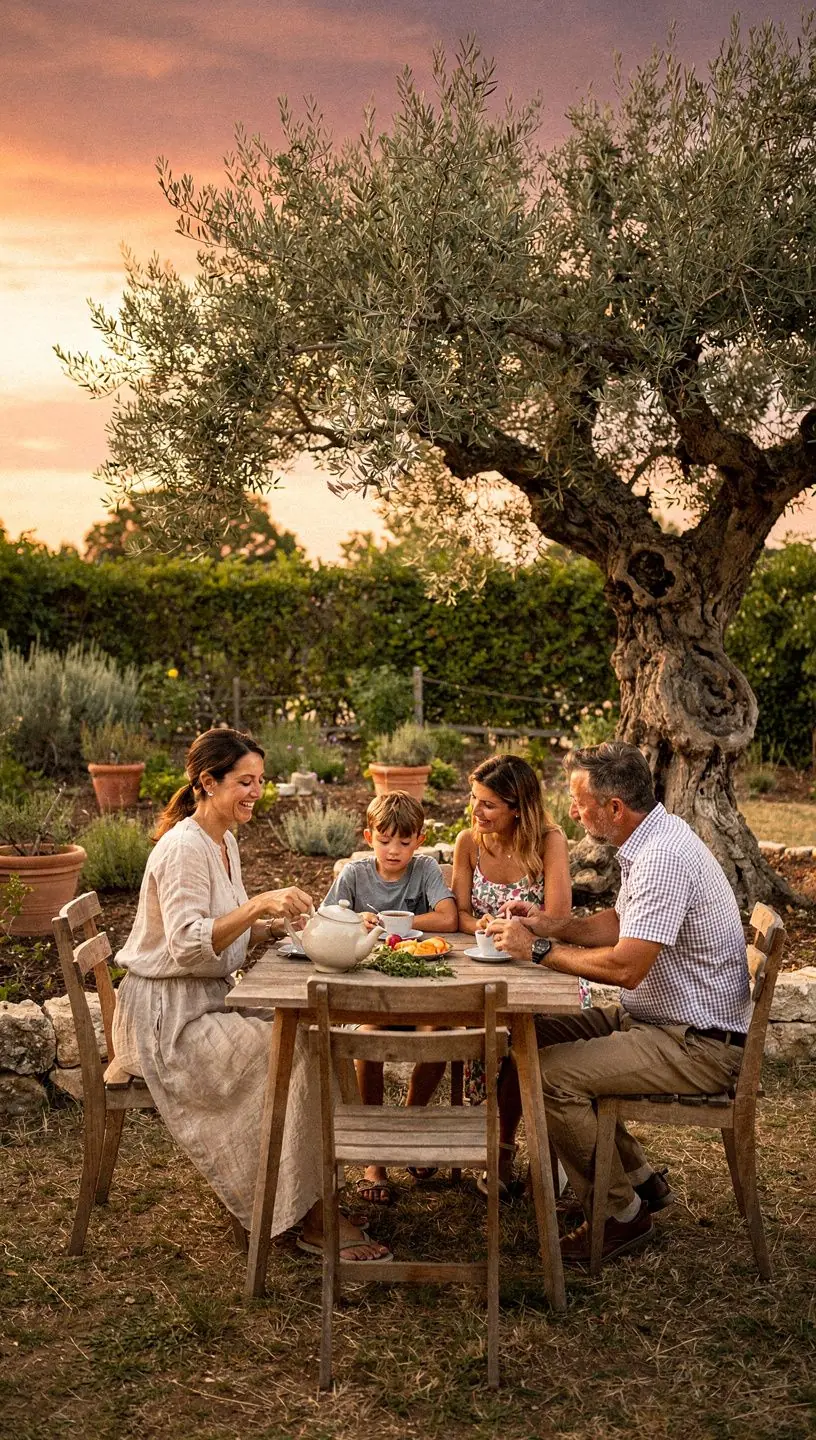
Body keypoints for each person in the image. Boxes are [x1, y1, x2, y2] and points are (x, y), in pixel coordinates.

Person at [111, 727, 390, 1263]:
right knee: (296, 1052)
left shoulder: (224, 841)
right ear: (208, 782)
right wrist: (260, 903)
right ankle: (307, 1217)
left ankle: (311, 1191)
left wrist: (277, 926)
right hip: (169, 1021)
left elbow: (225, 929)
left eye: (260, 781)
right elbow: (190, 944)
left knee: (314, 1036)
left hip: (206, 999)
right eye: (244, 781)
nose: (255, 792)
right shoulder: (183, 848)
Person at [488, 741, 750, 1263]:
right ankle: (638, 1177)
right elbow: (621, 922)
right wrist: (551, 923)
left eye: (578, 798)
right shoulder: (651, 838)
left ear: (613, 808)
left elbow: (626, 968)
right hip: (660, 1021)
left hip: (696, 1045)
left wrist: (539, 950)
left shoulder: (663, 858)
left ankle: (620, 1215)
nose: (571, 808)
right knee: (526, 1038)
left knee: (549, 1076)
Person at [321, 790, 457, 1205]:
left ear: (419, 839)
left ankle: (412, 1123)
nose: (394, 850)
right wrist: (352, 919)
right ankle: (374, 1156)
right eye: (384, 840)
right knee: (368, 1038)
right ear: (369, 837)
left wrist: (399, 920)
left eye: (403, 841)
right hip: (371, 994)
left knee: (442, 1030)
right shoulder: (354, 875)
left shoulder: (426, 869)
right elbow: (325, 918)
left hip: (421, 991)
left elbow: (448, 917)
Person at [452, 753, 576, 1194]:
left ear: (517, 807)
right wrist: (482, 926)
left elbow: (560, 916)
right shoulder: (469, 841)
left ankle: (502, 1150)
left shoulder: (549, 840)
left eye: (487, 804)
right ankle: (473, 1142)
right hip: (482, 963)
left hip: (536, 963)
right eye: (474, 799)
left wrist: (524, 926)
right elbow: (459, 915)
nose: (476, 811)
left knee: (520, 1034)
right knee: (475, 1023)